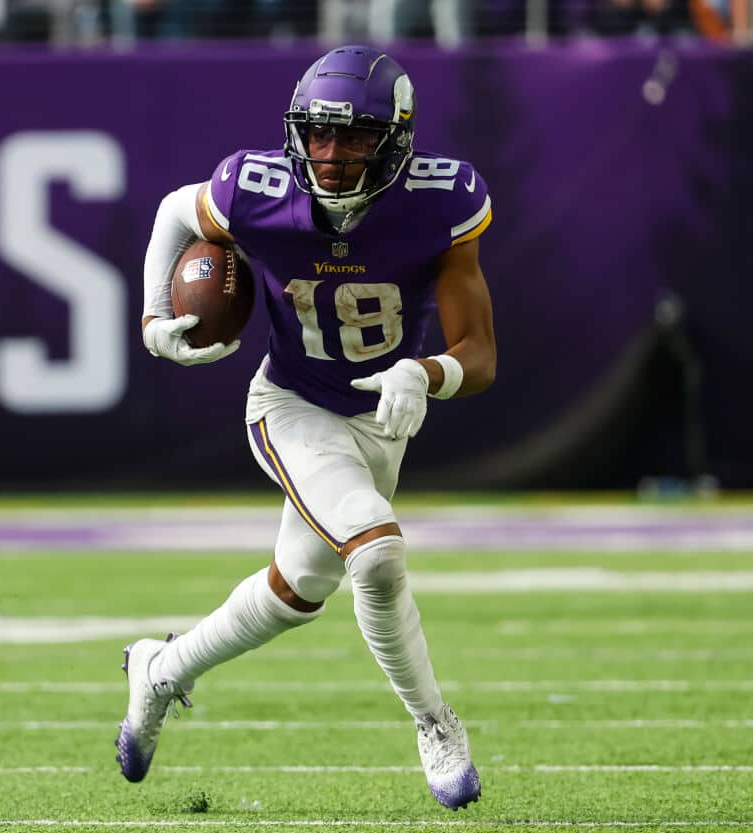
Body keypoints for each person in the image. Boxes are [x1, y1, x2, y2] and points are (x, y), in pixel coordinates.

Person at [119, 44, 497, 811]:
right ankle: (435, 722)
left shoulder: (440, 200)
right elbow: (172, 210)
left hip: (380, 416)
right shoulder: (254, 188)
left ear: (394, 140)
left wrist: (423, 372)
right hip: (292, 406)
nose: (329, 154)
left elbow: (479, 354)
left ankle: (159, 668)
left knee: (299, 590)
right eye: (317, 133)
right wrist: (156, 315)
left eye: (353, 135)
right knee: (378, 553)